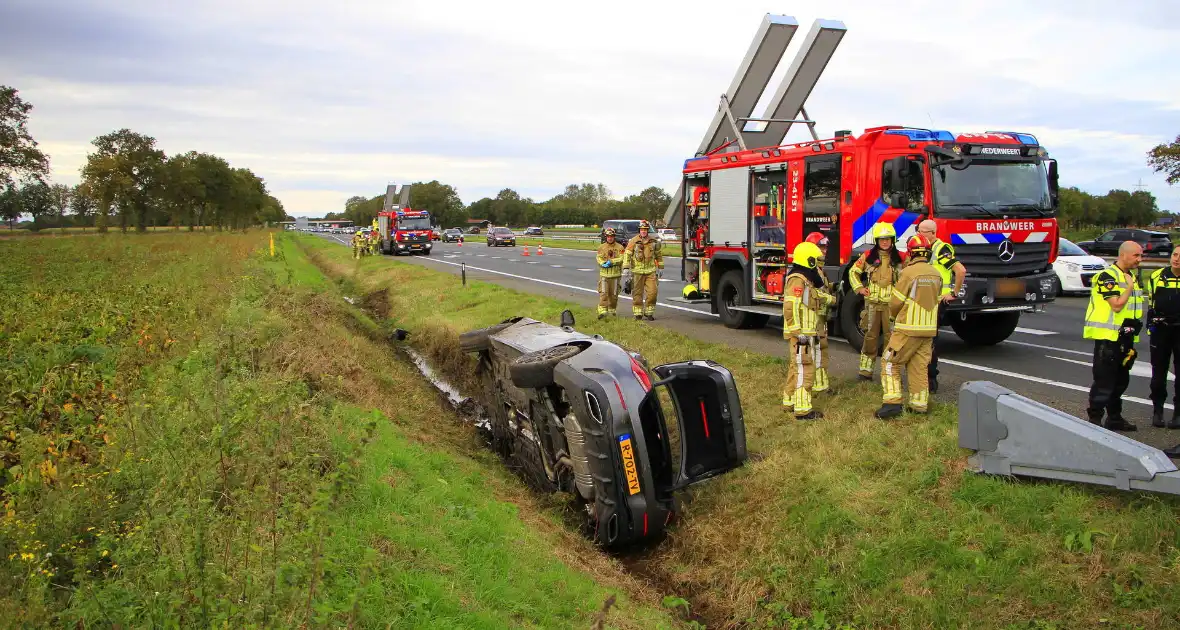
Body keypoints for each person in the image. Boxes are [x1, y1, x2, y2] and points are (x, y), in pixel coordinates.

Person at [876, 233, 942, 419]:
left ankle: (892, 404)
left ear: (911, 253)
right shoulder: (936, 274)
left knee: (889, 361)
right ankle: (919, 405)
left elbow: (896, 302)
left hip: (907, 328)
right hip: (928, 330)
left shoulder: (908, 273)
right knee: (919, 367)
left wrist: (893, 317)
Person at [1083, 240, 1145, 431]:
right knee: (1104, 381)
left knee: (1120, 381)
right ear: (1123, 255)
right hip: (1108, 338)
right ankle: (1094, 420)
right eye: (1136, 256)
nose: (1139, 260)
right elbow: (1117, 305)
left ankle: (1114, 418)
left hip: (1125, 338)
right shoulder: (1107, 276)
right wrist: (1127, 287)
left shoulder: (1132, 277)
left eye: (1141, 256)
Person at [782, 241, 834, 420]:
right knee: (805, 368)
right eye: (816, 259)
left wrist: (830, 299)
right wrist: (797, 332)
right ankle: (803, 409)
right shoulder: (798, 279)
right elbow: (790, 306)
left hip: (806, 331)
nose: (818, 262)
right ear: (809, 260)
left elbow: (813, 296)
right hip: (802, 334)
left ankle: (789, 401)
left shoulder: (805, 279)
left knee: (795, 367)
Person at [849, 223, 904, 380]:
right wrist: (859, 288)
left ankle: (890, 373)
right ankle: (865, 372)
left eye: (887, 239)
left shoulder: (900, 258)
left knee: (891, 339)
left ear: (892, 240)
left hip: (892, 307)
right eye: (881, 239)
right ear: (876, 240)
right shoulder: (868, 256)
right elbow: (853, 272)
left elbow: (908, 278)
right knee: (870, 338)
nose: (885, 242)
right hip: (872, 305)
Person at [916, 219, 966, 394]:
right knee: (923, 340)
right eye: (918, 231)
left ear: (932, 233)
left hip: (936, 302)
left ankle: (930, 379)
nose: (919, 235)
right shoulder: (924, 248)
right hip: (924, 300)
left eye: (922, 232)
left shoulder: (940, 249)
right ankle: (922, 377)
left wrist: (954, 293)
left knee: (930, 342)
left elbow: (960, 270)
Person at [1146, 245, 1180, 428]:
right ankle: (1157, 411)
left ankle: (1178, 414)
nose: (1177, 259)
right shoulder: (1156, 276)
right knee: (1158, 373)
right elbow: (1151, 304)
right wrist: (1151, 324)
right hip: (1161, 331)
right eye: (1175, 255)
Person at [804, 232, 834, 393]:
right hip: (814, 317)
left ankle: (821, 384)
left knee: (821, 349)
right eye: (820, 247)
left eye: (825, 246)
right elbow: (813, 293)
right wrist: (831, 299)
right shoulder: (811, 270)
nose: (824, 250)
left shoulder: (819, 268)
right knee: (817, 349)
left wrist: (833, 287)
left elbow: (822, 287)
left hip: (820, 316)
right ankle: (818, 386)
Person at [623, 220, 664, 321]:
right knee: (637, 294)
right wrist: (626, 268)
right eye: (642, 230)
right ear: (639, 230)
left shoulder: (653, 241)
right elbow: (627, 254)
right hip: (637, 272)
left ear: (647, 231)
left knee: (653, 293)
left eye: (645, 230)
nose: (643, 231)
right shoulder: (633, 241)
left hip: (651, 271)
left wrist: (661, 267)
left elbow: (659, 255)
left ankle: (649, 313)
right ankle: (638, 313)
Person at [596, 228, 626, 318]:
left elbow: (622, 258)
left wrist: (612, 262)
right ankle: (602, 312)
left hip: (615, 276)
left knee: (613, 295)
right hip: (604, 275)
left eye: (611, 236)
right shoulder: (601, 247)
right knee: (604, 294)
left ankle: (612, 310)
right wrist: (602, 263)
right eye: (608, 236)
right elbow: (598, 258)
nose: (610, 238)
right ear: (606, 237)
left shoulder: (620, 247)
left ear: (614, 237)